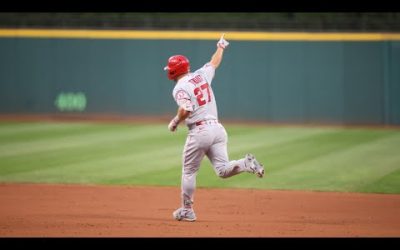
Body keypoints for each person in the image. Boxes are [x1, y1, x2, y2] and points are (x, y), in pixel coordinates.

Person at [164, 34, 265, 222]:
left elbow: (186, 109)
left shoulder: (179, 87)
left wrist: (175, 122)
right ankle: (245, 163)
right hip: (218, 129)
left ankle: (187, 210)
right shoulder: (200, 75)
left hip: (200, 131)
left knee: (189, 172)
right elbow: (214, 62)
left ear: (173, 71)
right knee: (222, 170)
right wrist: (221, 46)